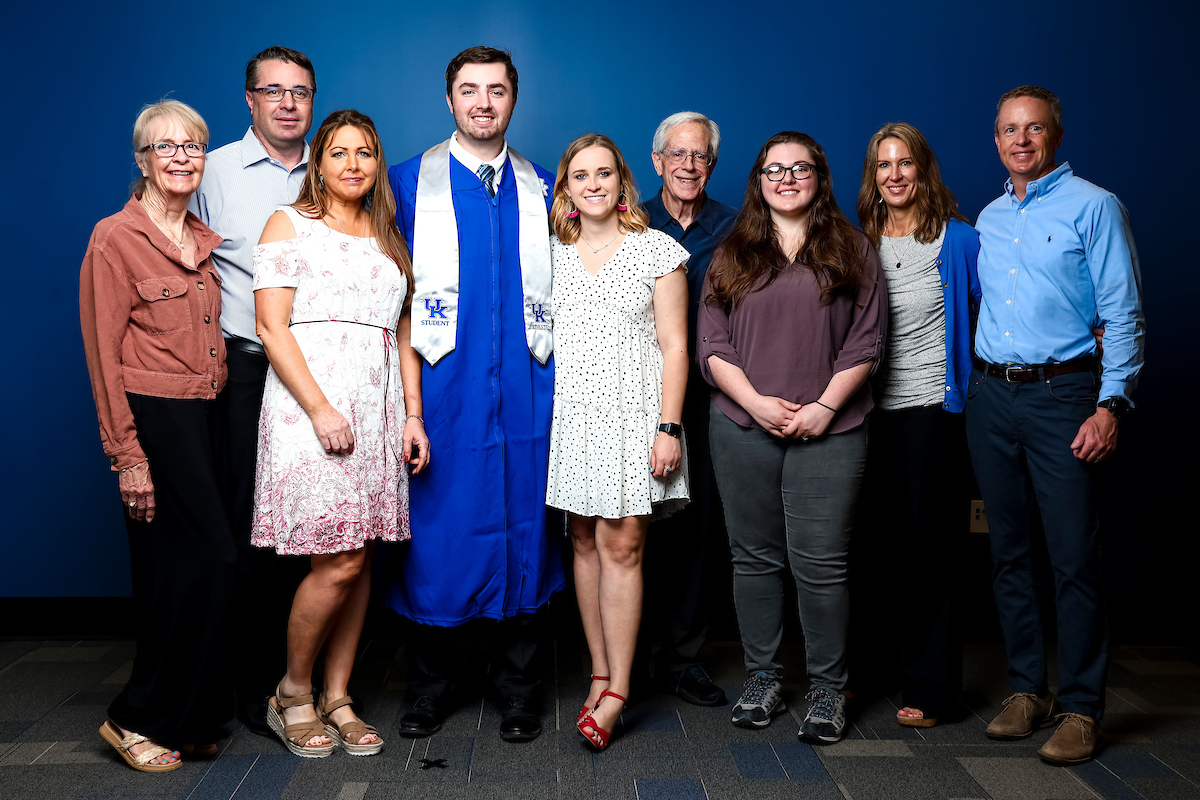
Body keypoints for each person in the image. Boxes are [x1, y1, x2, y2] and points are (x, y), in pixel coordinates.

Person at [385, 46, 563, 743]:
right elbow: (388, 298)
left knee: (525, 530)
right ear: (449, 100)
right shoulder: (406, 184)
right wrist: (411, 408)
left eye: (496, 90)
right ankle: (431, 685)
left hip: (526, 389)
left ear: (513, 100)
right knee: (440, 535)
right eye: (469, 90)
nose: (483, 102)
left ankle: (518, 687)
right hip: (443, 390)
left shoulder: (544, 186)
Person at [968, 86, 1145, 765]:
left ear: (1055, 136)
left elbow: (1124, 313)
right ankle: (1026, 691)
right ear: (997, 140)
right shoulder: (987, 217)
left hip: (1064, 398)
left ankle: (1079, 706)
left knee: (1072, 557)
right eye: (1010, 129)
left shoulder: (1094, 207)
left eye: (1033, 128)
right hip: (992, 399)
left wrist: (1112, 405)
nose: (1021, 140)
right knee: (1006, 552)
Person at [698, 131, 886, 744]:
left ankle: (828, 691)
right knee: (753, 560)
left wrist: (826, 407)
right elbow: (711, 343)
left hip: (830, 429)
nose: (785, 178)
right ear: (758, 180)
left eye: (798, 168)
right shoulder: (732, 251)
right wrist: (753, 402)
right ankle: (764, 679)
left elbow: (867, 340)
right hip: (742, 427)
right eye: (773, 169)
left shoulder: (854, 249)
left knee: (821, 565)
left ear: (819, 176)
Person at [252, 109, 427, 758]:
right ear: (317, 163)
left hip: (379, 406)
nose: (353, 164)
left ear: (377, 164)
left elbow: (402, 330)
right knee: (339, 558)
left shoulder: (388, 236)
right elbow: (272, 327)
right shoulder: (288, 224)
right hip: (311, 406)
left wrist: (411, 412)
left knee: (362, 559)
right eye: (339, 153)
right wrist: (323, 409)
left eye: (365, 153)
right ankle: (291, 693)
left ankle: (339, 696)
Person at [81, 100, 233, 772]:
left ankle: (190, 716)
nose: (180, 157)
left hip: (206, 414)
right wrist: (127, 456)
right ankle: (134, 717)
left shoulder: (199, 239)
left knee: (188, 571)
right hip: (154, 417)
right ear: (141, 159)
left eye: (192, 146)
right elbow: (101, 353)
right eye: (165, 146)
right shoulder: (115, 238)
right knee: (202, 563)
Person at [546, 133, 690, 751]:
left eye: (605, 173)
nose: (594, 184)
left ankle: (618, 691)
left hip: (637, 418)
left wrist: (669, 427)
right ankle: (598, 670)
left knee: (622, 545)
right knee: (582, 540)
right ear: (567, 189)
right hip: (573, 418)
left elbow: (676, 346)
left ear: (623, 182)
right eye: (581, 176)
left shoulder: (658, 250)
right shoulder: (551, 253)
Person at [188, 45, 316, 736]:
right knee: (249, 529)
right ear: (249, 100)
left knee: (312, 528)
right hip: (245, 370)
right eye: (273, 91)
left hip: (324, 373)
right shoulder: (213, 173)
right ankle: (251, 683)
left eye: (299, 92)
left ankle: (302, 677)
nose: (287, 103)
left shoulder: (334, 168)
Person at [852, 122, 981, 727]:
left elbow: (1011, 303)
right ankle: (869, 671)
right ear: (873, 177)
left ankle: (931, 686)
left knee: (931, 550)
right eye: (884, 165)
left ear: (923, 170)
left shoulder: (959, 241)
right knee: (872, 547)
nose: (894, 175)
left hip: (931, 412)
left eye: (905, 163)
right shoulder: (859, 243)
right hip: (865, 414)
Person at [639, 112, 738, 707]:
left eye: (699, 156)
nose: (688, 165)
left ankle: (683, 658)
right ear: (657, 162)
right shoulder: (628, 220)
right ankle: (630, 652)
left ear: (712, 164)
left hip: (706, 398)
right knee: (631, 525)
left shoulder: (736, 227)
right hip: (632, 394)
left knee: (699, 531)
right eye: (677, 154)